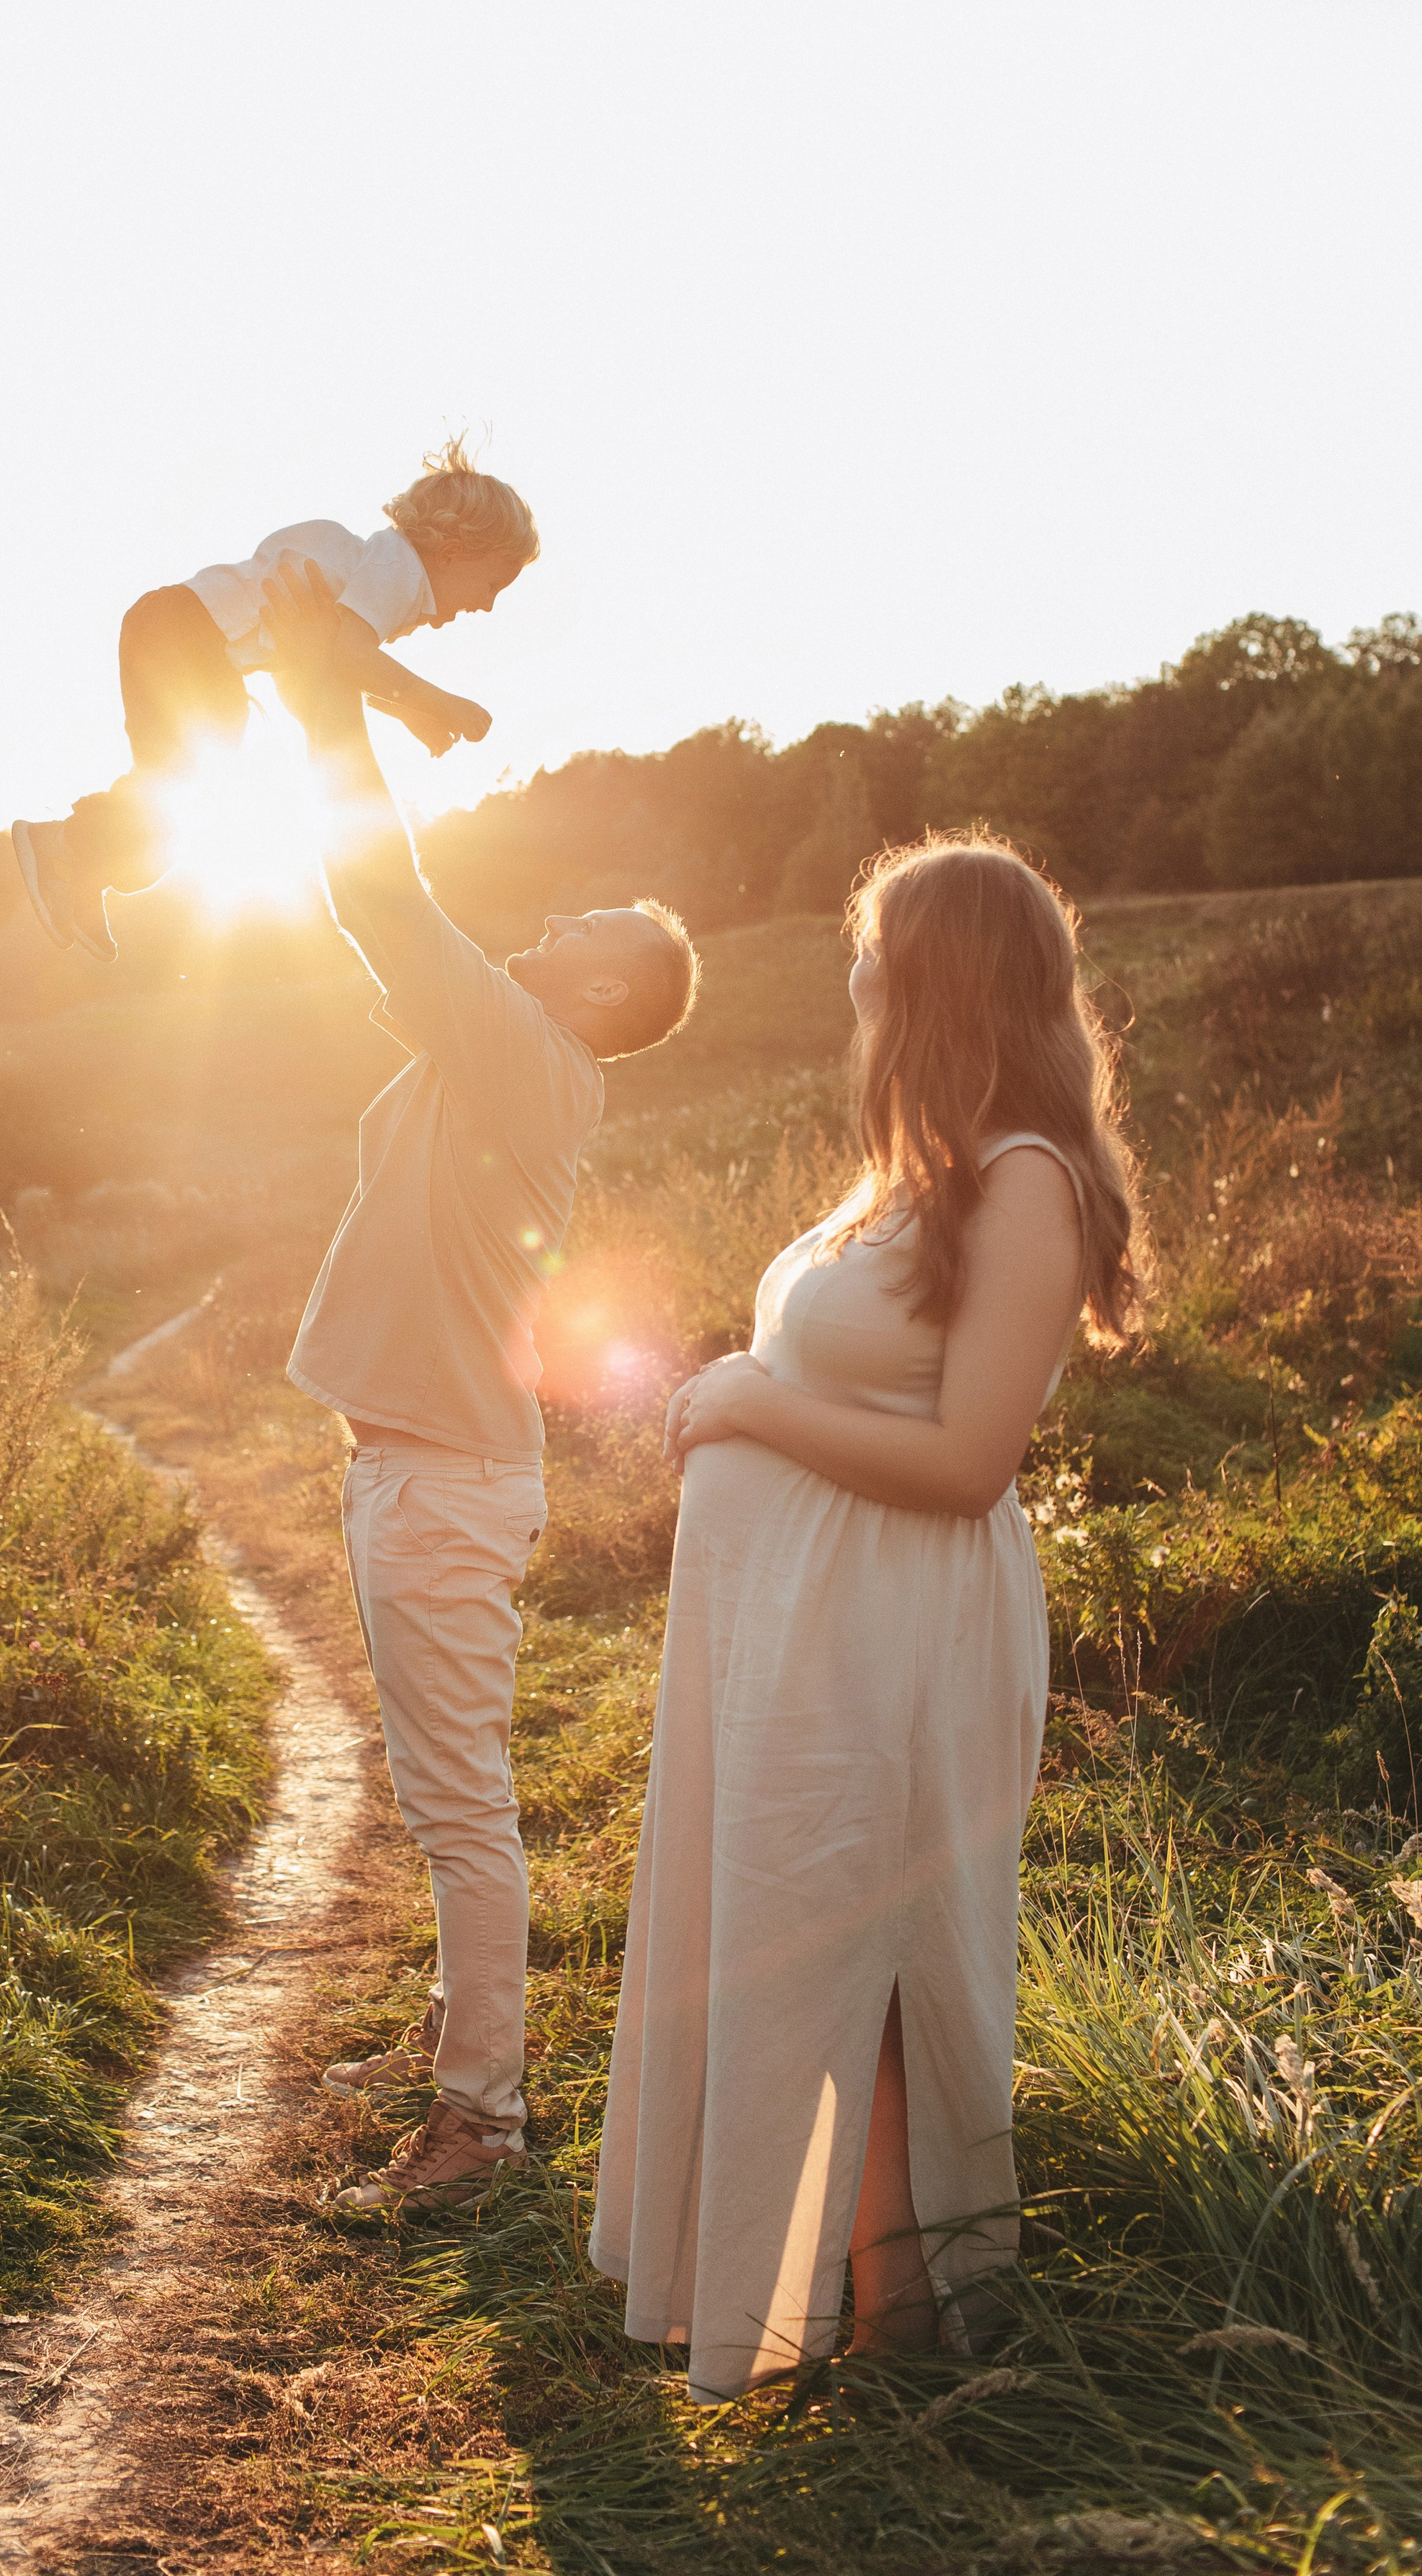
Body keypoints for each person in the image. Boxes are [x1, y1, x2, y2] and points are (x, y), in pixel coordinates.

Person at [590, 835, 1148, 2400]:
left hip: (903, 1640)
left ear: (938, 981)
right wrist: (749, 1401)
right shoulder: (914, 1176)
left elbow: (970, 1465)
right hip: (809, 1643)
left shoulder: (1028, 1180)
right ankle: (843, 2314)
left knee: (883, 1964)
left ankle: (911, 2340)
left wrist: (750, 1408)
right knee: (798, 1954)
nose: (849, 978)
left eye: (873, 952)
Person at [258, 556, 701, 2216]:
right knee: (448, 1802)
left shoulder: (532, 1055)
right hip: (416, 1464)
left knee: (459, 1814)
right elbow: (359, 910)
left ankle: (478, 2126)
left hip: (441, 1478)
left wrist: (319, 699)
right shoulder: (489, 1043)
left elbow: (390, 900)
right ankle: (466, 2049)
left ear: (596, 986)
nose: (541, 926)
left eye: (572, 927)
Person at [12, 440, 538, 963]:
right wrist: (442, 704)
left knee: (172, 796)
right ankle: (61, 843)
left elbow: (334, 660)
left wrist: (406, 711)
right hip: (189, 641)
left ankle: (74, 871)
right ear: (450, 555)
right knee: (188, 796)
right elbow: (351, 657)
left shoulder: (373, 565)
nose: (488, 605)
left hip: (173, 631)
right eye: (492, 584)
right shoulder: (396, 573)